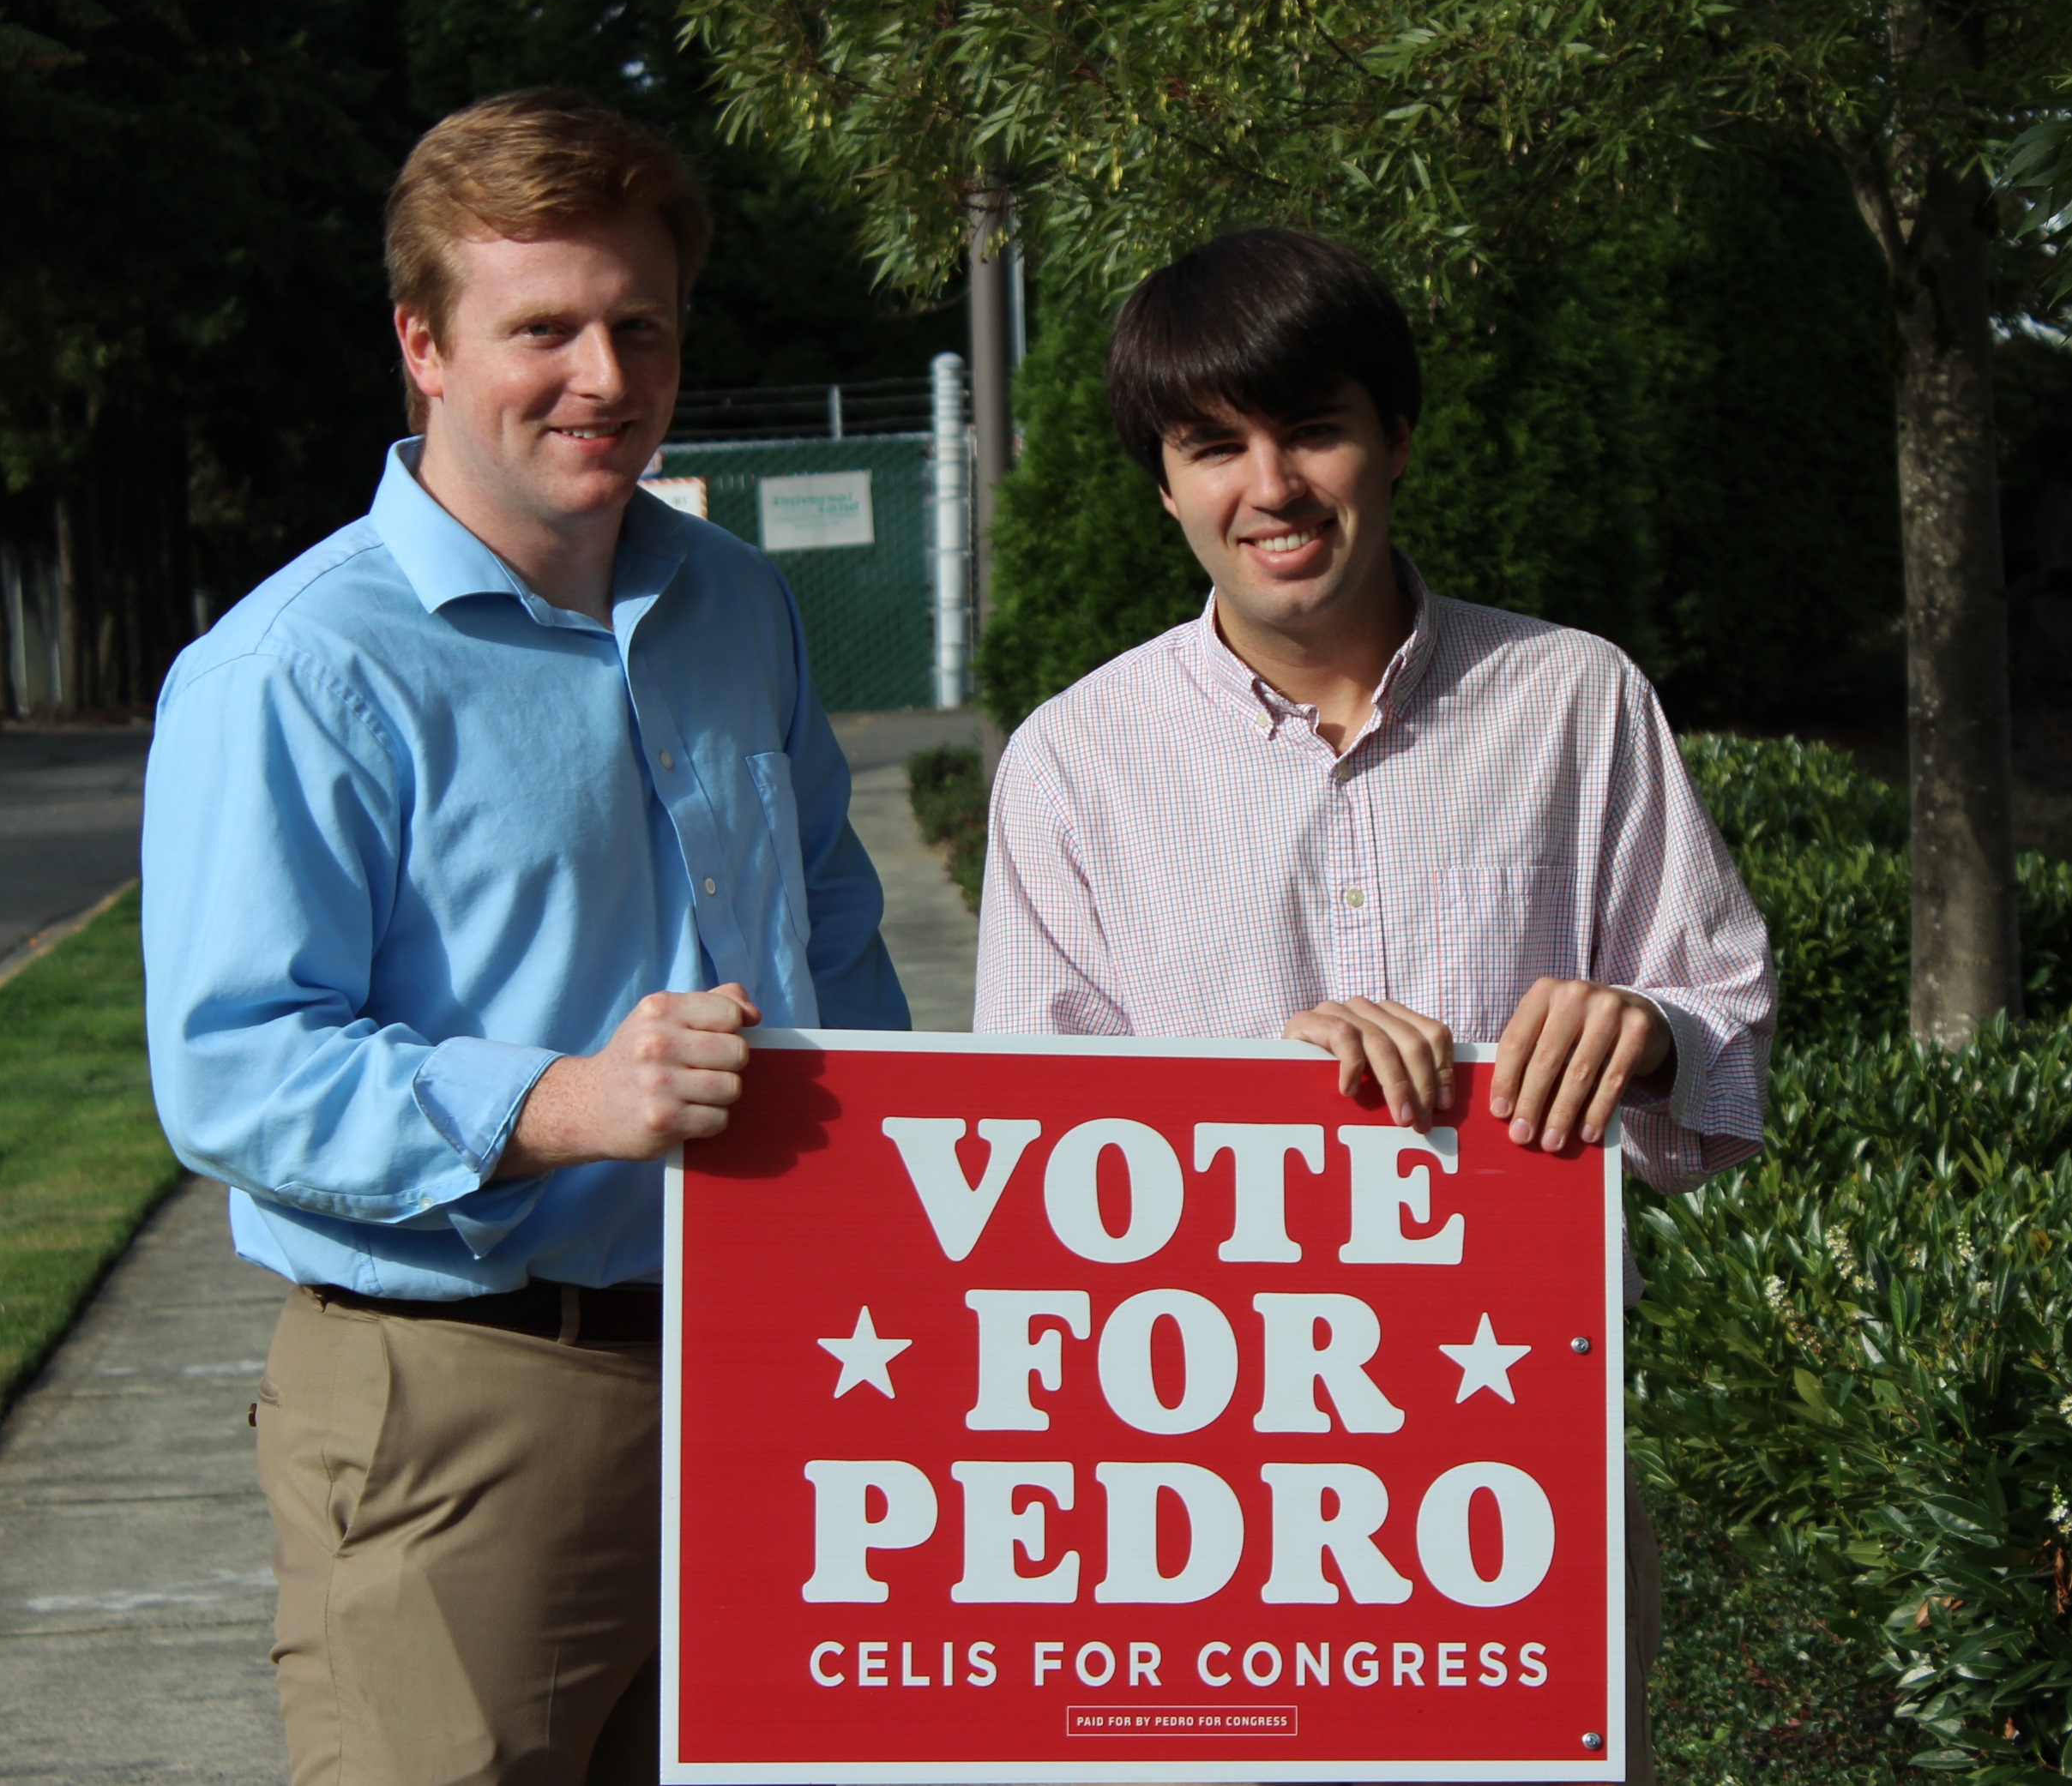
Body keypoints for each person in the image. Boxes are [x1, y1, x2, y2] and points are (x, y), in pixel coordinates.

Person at [142, 89, 907, 1785]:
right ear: (421, 344)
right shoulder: (295, 669)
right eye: (543, 328)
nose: (605, 376)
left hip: (773, 1372)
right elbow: (232, 1068)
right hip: (460, 1402)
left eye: (643, 325)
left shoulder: (737, 604)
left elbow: (835, 931)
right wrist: (560, 1102)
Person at [973, 227, 1774, 1785]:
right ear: (1162, 485)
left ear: (1394, 438)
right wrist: (1248, 1099)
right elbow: (1023, 1161)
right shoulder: (1074, 764)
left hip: (1515, 1463)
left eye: (1311, 429)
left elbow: (1726, 1009)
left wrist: (1648, 1031)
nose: (1269, 486)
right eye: (1213, 446)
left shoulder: (1573, 699)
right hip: (1201, 1492)